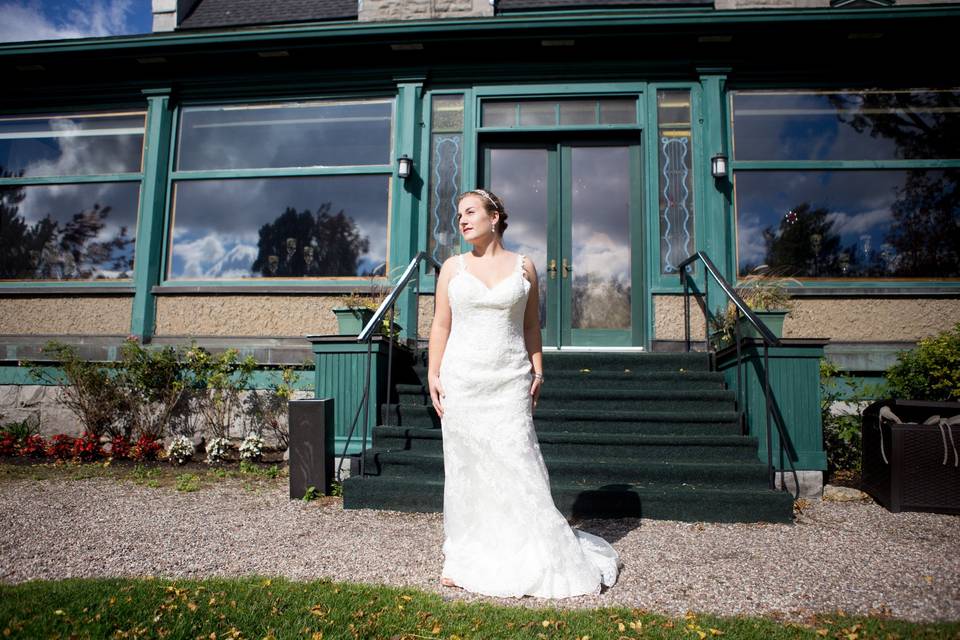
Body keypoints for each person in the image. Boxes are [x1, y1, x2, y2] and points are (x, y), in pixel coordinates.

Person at [427, 188, 620, 599]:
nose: (461, 220)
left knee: (518, 461)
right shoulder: (451, 268)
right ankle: (464, 556)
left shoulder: (525, 267)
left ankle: (532, 551)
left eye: (471, 212)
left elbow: (532, 326)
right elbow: (441, 325)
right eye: (458, 214)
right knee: (467, 469)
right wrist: (433, 373)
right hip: (462, 379)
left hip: (510, 379)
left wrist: (539, 370)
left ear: (495, 217)